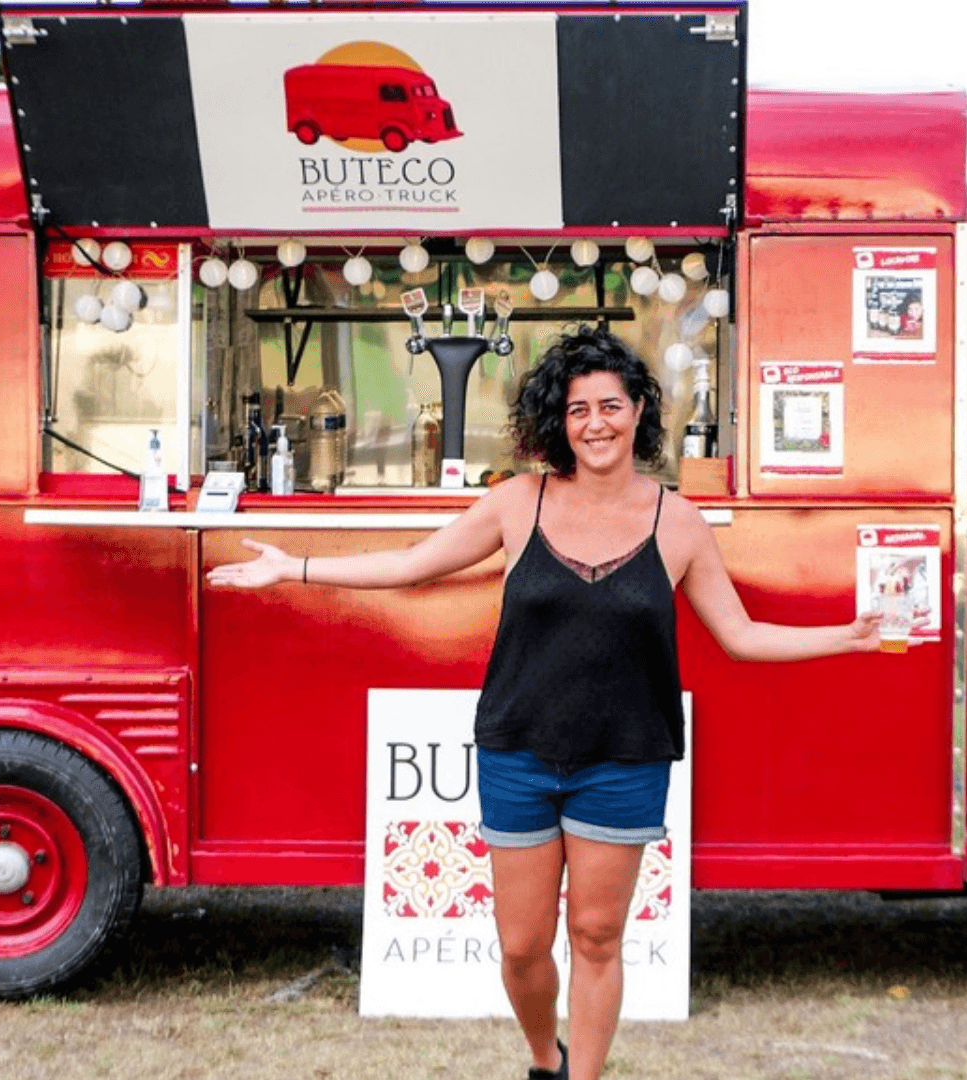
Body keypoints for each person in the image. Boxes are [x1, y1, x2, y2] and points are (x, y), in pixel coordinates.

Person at [208, 328, 879, 1080]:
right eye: (578, 408)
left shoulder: (677, 522)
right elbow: (409, 567)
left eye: (611, 406)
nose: (596, 422)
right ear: (558, 421)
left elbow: (742, 636)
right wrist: (292, 568)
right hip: (519, 752)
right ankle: (542, 1057)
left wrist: (847, 637)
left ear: (639, 413)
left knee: (596, 937)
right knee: (523, 946)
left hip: (624, 759)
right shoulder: (517, 503)